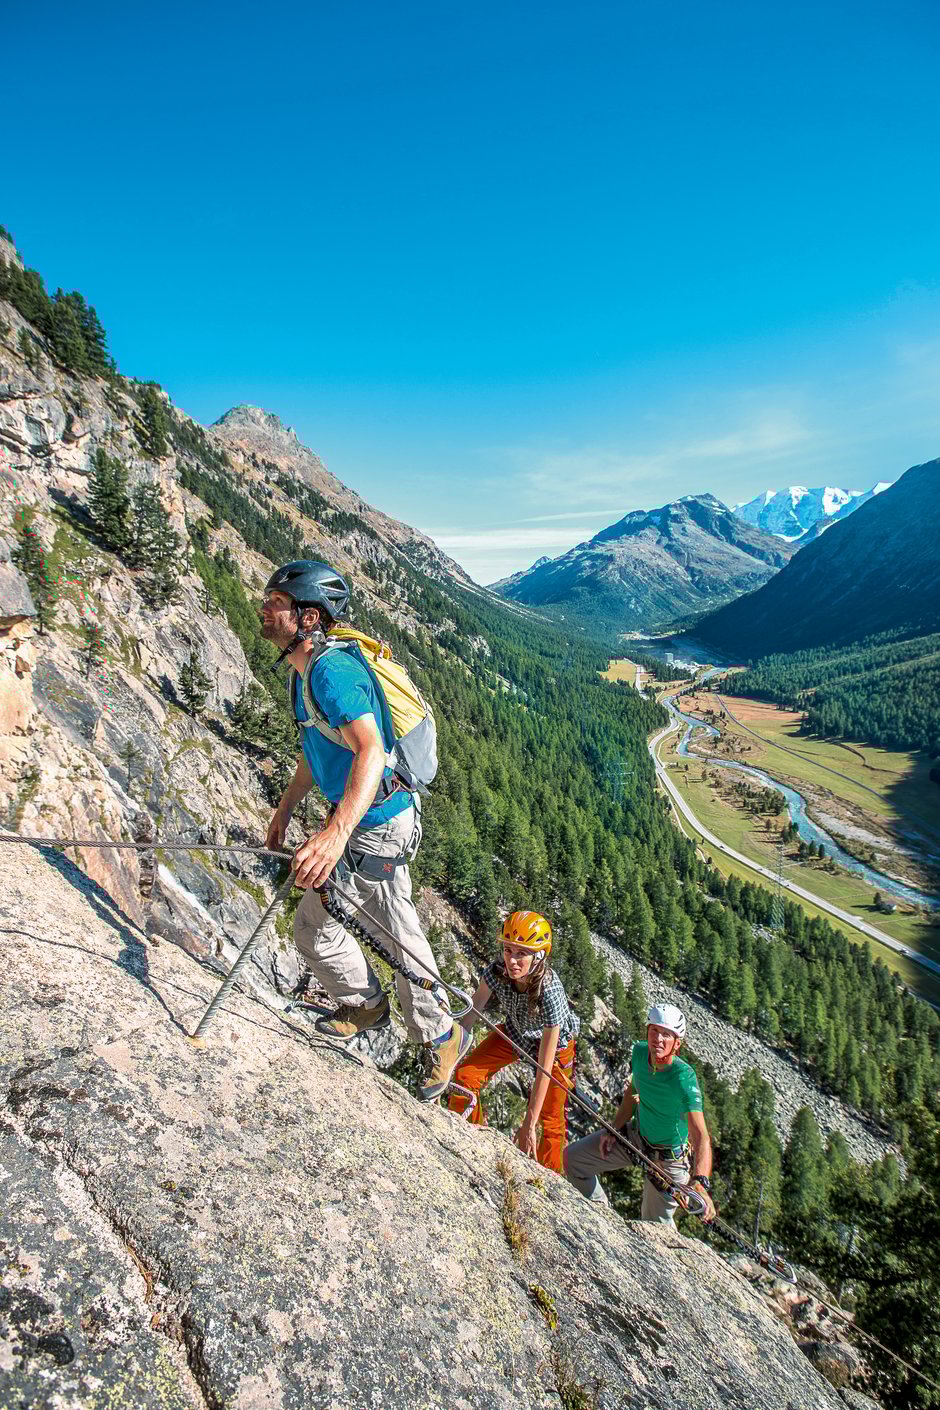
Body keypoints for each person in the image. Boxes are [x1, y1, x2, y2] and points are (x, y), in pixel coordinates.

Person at [262, 559, 470, 1101]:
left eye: (276, 604)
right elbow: (319, 750)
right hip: (368, 820)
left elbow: (371, 750)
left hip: (376, 825)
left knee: (382, 934)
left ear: (308, 618)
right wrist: (286, 809)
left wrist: (333, 834)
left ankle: (431, 1030)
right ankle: (380, 1010)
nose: (265, 610)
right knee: (340, 927)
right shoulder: (303, 675)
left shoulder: (332, 672)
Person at [448, 911, 578, 1172]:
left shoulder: (551, 991)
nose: (513, 960)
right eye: (509, 950)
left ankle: (549, 1179)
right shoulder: (496, 973)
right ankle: (470, 1137)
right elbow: (471, 1015)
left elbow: (545, 1064)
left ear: (539, 956)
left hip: (555, 1048)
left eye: (522, 953)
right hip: (517, 1031)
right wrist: (448, 1056)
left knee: (550, 1121)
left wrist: (529, 1122)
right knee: (464, 1075)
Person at [565, 1003, 716, 1223]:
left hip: (668, 1159)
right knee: (572, 1160)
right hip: (636, 1137)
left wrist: (700, 1182)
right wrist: (613, 1129)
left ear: (677, 1044)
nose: (658, 1039)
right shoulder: (640, 1052)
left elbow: (700, 1135)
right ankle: (601, 1215)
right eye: (654, 1031)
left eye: (667, 1034)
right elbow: (632, 1093)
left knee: (655, 1228)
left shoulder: (683, 1078)